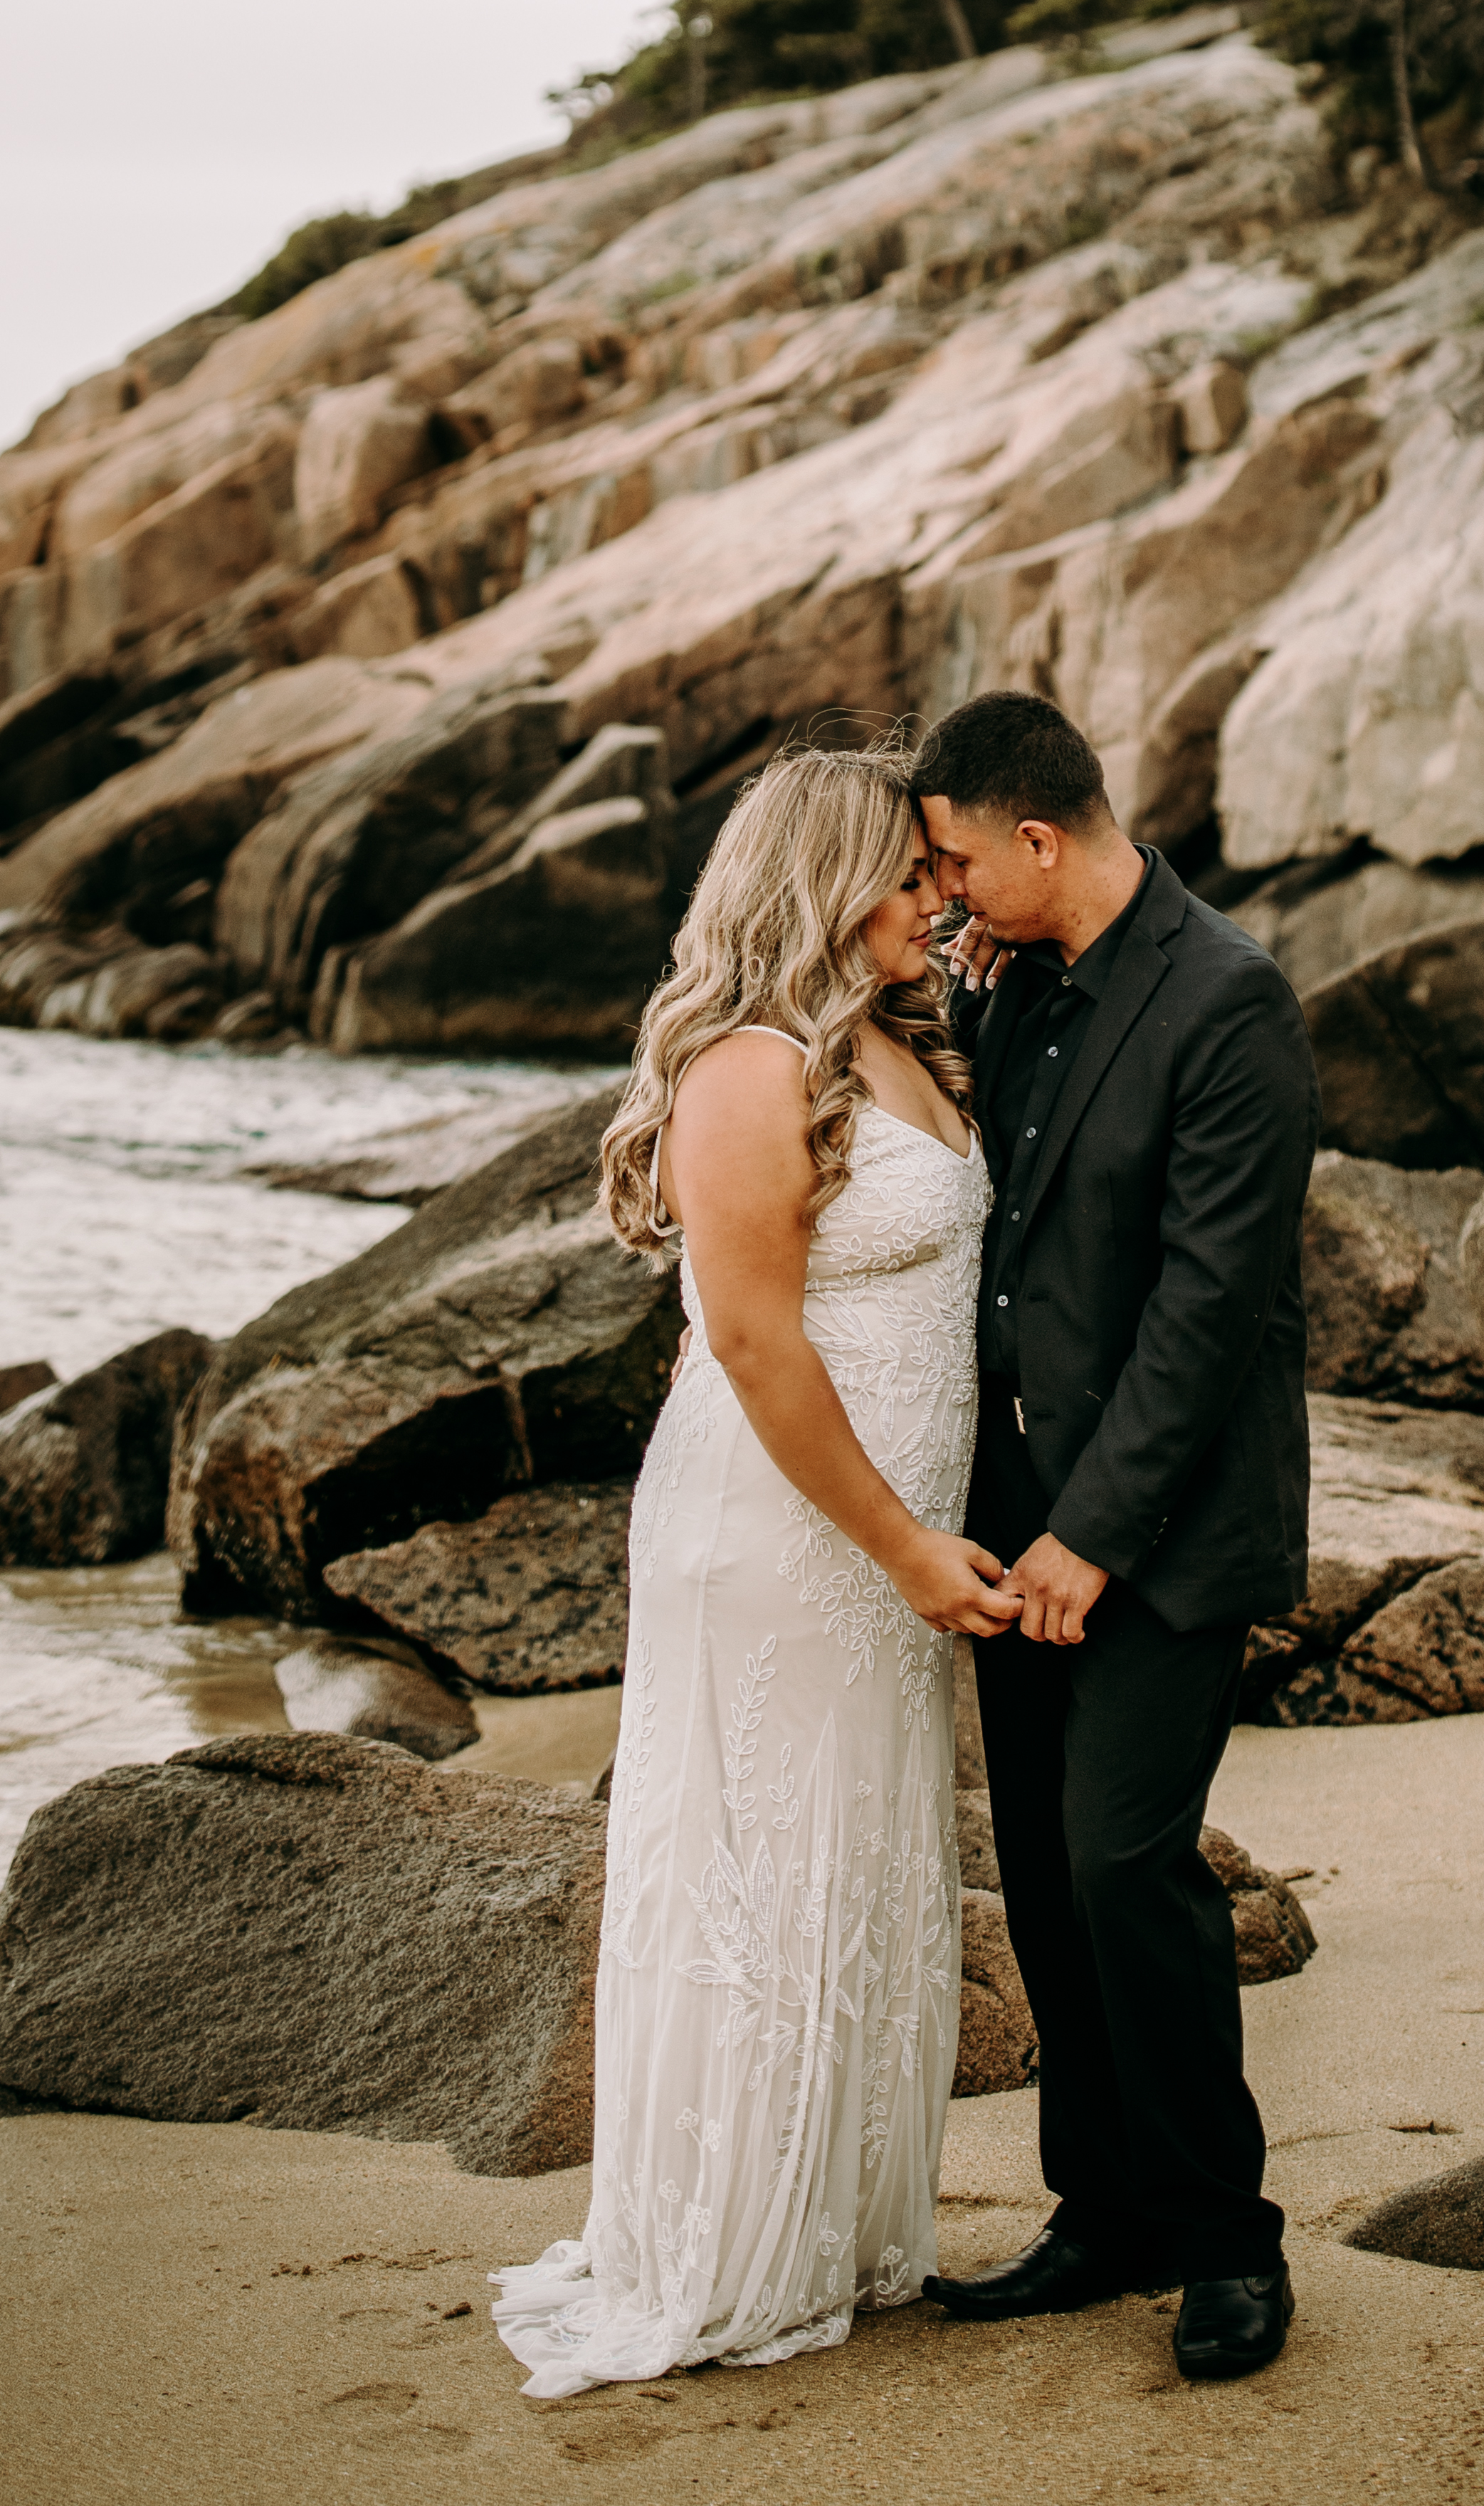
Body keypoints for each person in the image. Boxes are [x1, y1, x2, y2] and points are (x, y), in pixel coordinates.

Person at [492, 747, 1013, 2401]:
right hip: (789, 1529)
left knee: (853, 1855)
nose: (939, 895)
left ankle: (840, 2225)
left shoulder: (887, 1041)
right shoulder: (743, 1064)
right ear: (826, 874)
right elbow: (748, 1337)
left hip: (869, 1543)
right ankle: (728, 2241)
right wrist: (907, 1543)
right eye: (911, 872)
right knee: (759, 1864)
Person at [912, 688, 1317, 2385]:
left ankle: (1227, 2240)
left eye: (950, 862)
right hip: (1016, 1526)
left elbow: (1211, 1306)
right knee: (1051, 1890)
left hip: (1163, 1527)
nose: (936, 893)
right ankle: (1103, 2212)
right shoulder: (1004, 985)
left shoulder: (1228, 998)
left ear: (1037, 835)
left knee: (1120, 1861)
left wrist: (1091, 1533)